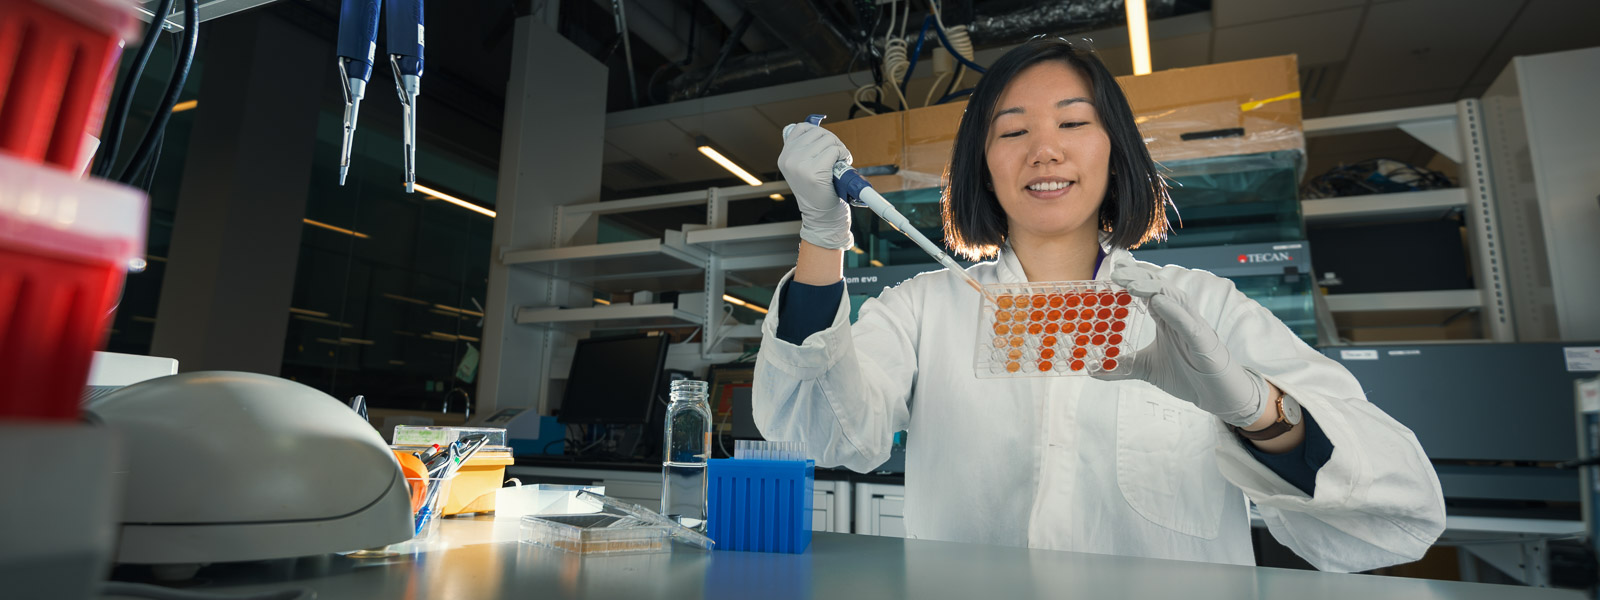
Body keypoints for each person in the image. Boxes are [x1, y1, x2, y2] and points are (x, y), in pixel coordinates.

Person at [752, 38, 1445, 573]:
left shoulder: (1207, 306)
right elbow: (823, 431)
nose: (1044, 149)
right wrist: (821, 235)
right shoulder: (929, 307)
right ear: (983, 166)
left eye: (1074, 123)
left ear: (1115, 152)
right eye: (1012, 130)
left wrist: (1255, 410)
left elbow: (1401, 510)